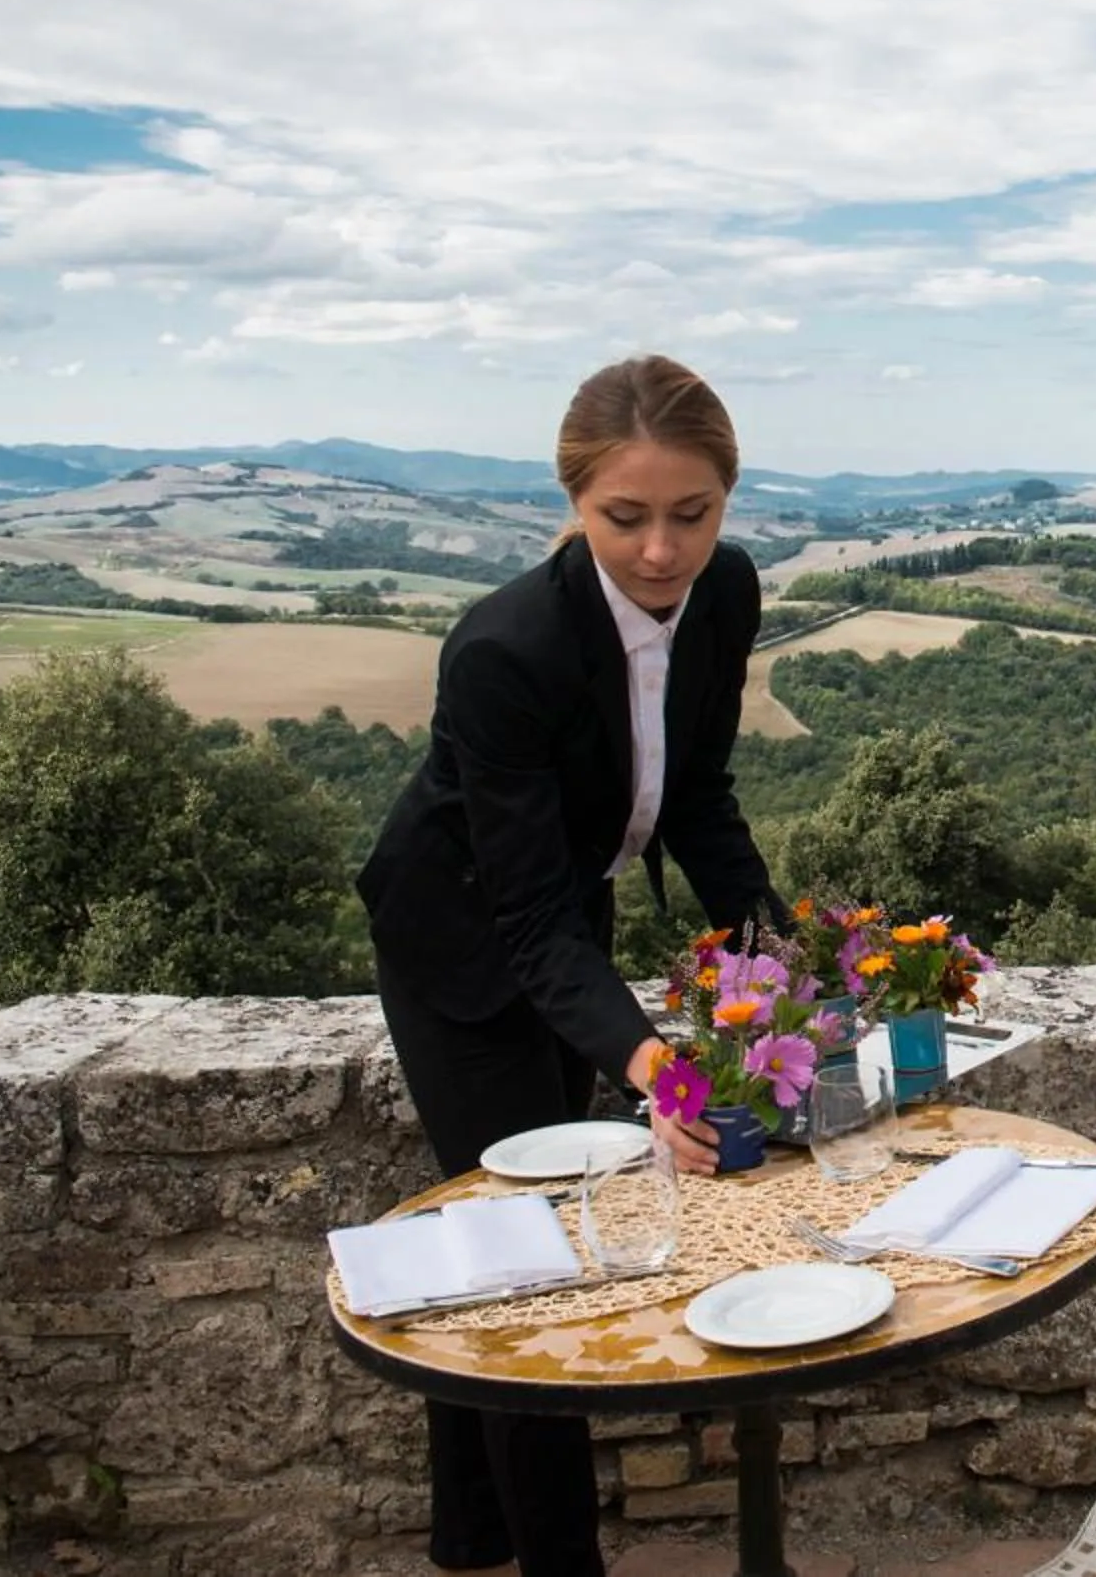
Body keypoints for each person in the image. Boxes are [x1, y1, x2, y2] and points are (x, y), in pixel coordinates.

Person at [358, 354, 785, 1576]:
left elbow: (697, 797)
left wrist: (785, 963)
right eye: (625, 516)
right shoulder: (504, 647)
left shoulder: (728, 590)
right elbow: (528, 915)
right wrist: (658, 1068)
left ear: (728, 498)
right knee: (523, 1257)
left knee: (520, 1233)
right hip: (457, 937)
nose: (661, 550)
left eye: (693, 514)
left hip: (565, 918)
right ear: (574, 501)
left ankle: (470, 1532)